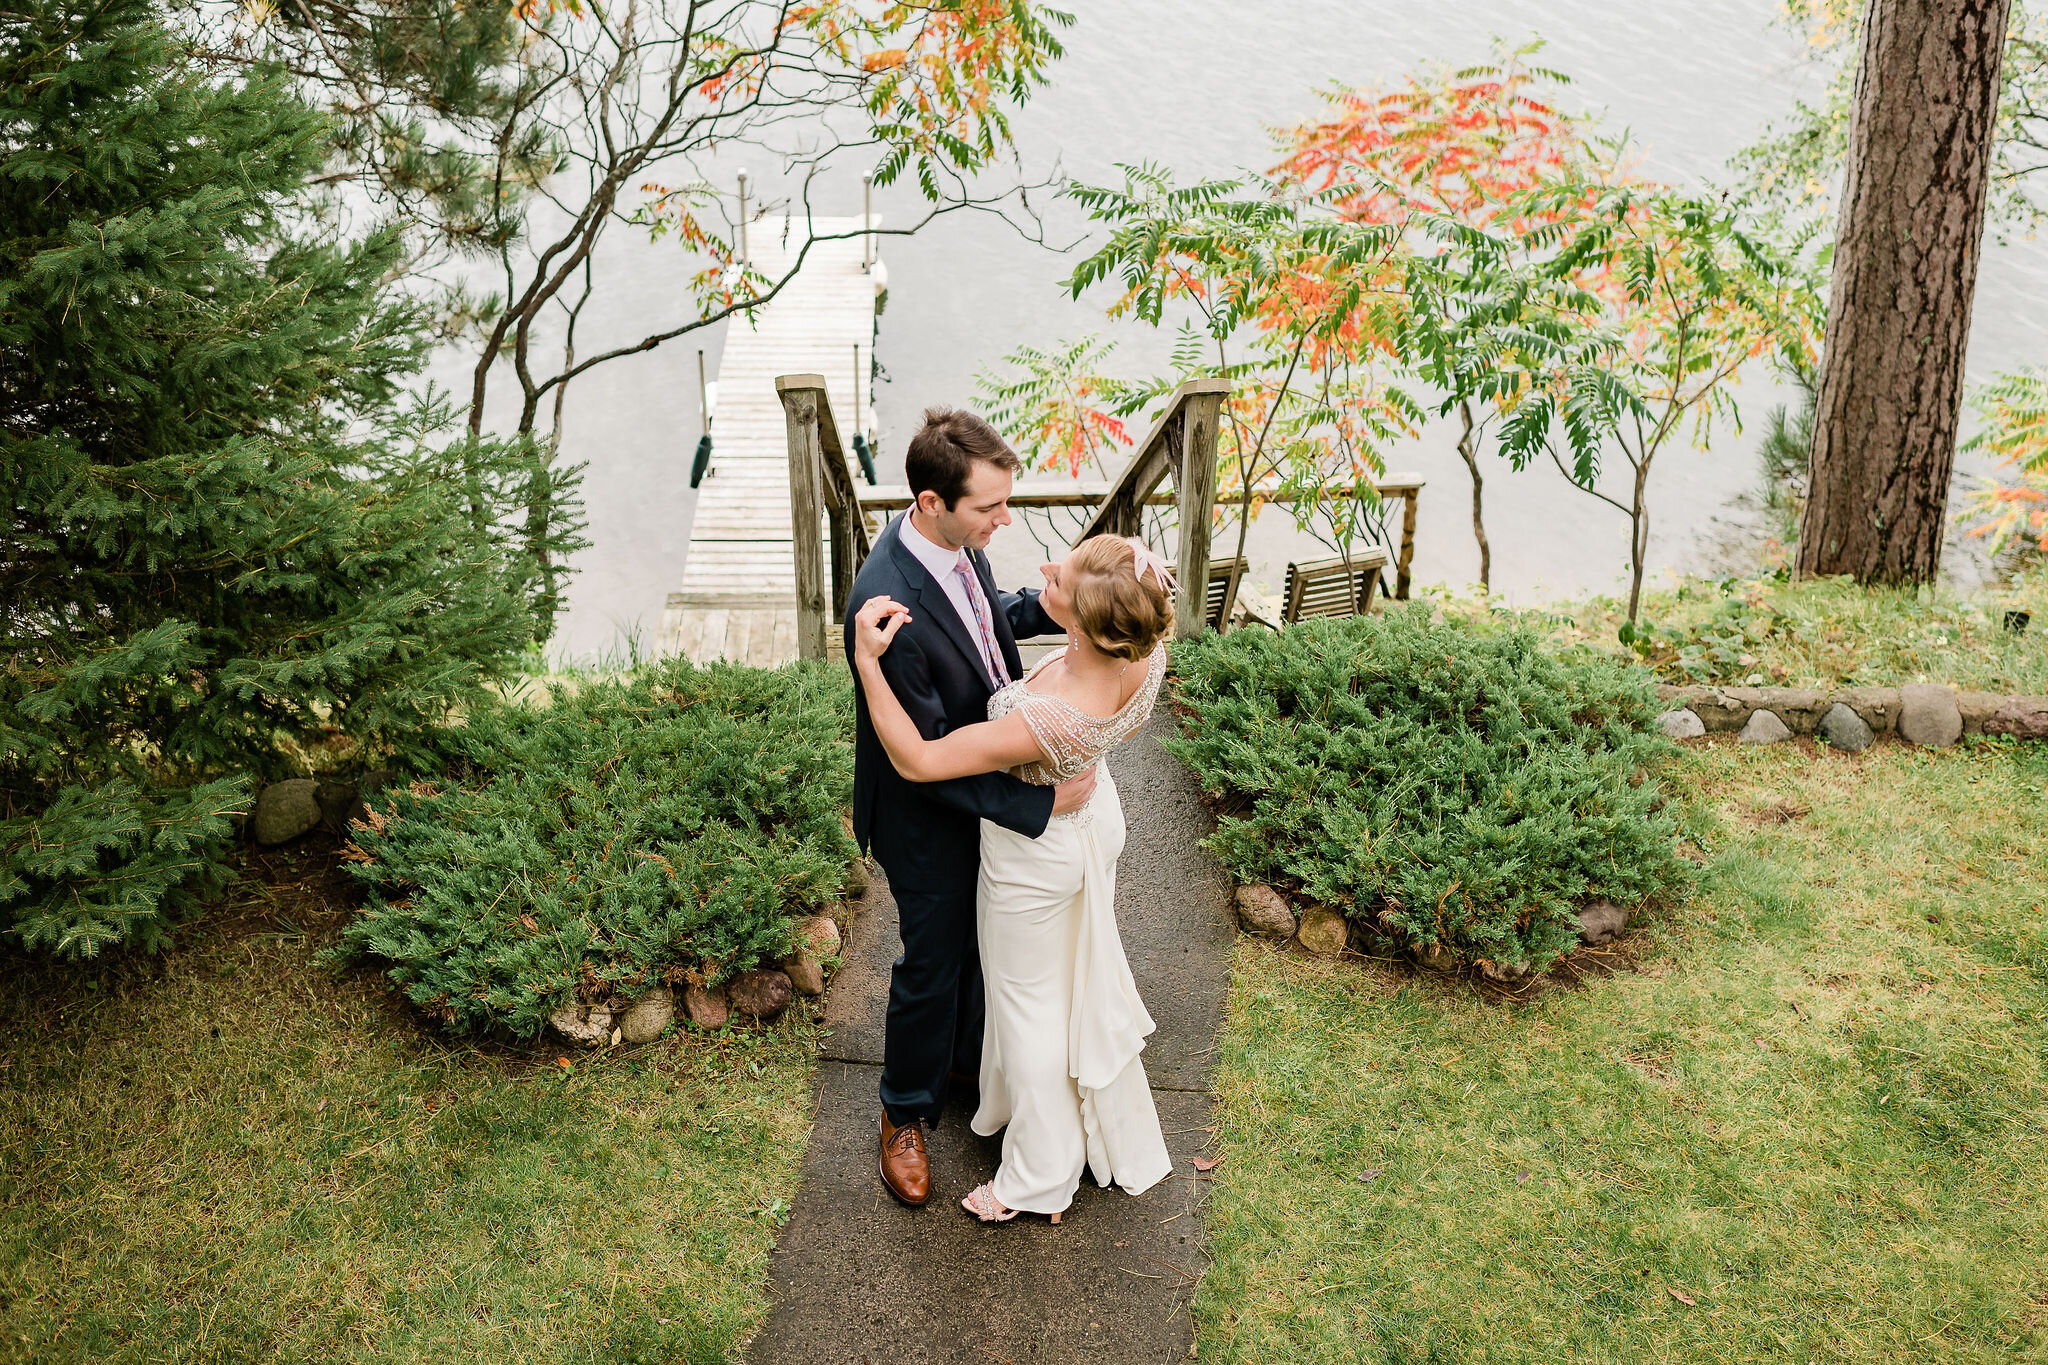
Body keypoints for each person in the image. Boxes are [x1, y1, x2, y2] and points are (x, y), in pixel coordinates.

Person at [851, 532, 1177, 1223]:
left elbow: (916, 759)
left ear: (1083, 630)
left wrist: (867, 666)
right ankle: (1028, 1108)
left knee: (1028, 1010)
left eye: (1058, 583)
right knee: (1068, 985)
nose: (1046, 571)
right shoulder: (1142, 656)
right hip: (1094, 827)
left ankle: (1035, 1174)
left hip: (1036, 860)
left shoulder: (1048, 718)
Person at [843, 407, 1097, 1209]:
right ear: (929, 500)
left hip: (973, 773)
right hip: (924, 812)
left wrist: (1051, 611)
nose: (1004, 518)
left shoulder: (956, 545)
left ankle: (963, 1062)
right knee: (933, 961)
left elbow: (983, 621)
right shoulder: (888, 610)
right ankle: (904, 1111)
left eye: (1004, 500)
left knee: (985, 947)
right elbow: (921, 762)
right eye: (989, 507)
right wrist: (1040, 804)